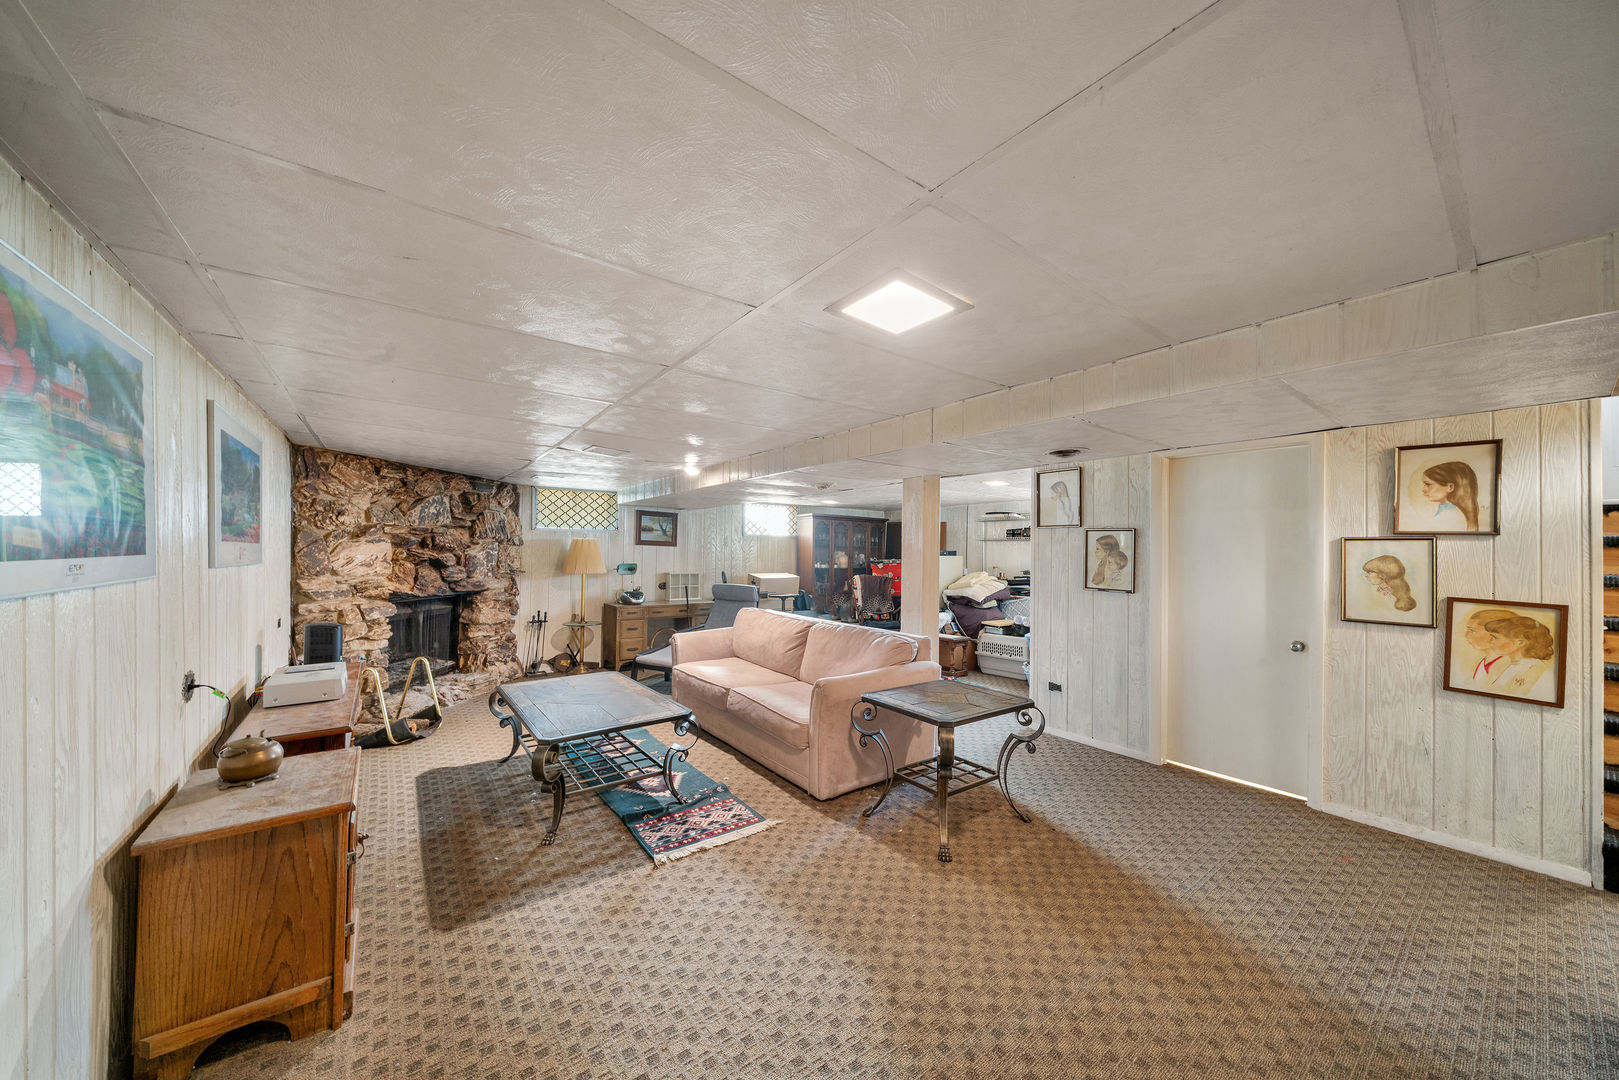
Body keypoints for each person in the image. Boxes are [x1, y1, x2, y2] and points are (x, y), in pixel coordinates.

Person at [1480, 613, 1556, 698]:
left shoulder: (1535, 671)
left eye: (1495, 637)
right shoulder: (1514, 665)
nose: (1490, 641)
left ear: (1520, 642)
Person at [1460, 606, 1520, 688]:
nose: (1466, 635)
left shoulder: (1508, 665)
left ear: (1494, 633)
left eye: (1472, 630)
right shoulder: (1485, 662)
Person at [1415, 461, 1481, 531]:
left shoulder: (1451, 514)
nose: (1423, 490)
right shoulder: (1446, 511)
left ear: (1450, 487)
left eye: (1428, 484)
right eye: (1424, 485)